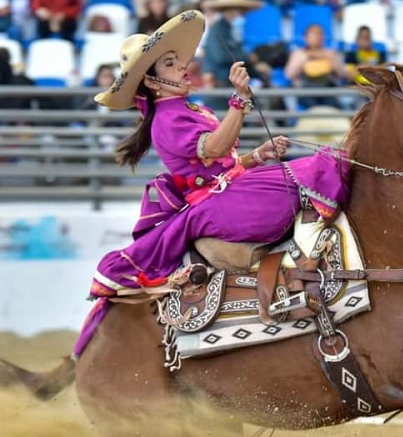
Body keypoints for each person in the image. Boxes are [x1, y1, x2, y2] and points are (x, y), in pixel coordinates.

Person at [73, 10, 349, 357]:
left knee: (316, 166)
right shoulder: (168, 120)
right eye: (171, 65)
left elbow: (220, 164)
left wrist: (258, 155)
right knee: (316, 169)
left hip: (227, 191)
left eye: (178, 61)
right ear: (153, 82)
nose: (183, 67)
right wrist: (239, 100)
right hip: (217, 205)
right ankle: (309, 274)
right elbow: (215, 148)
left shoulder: (186, 111)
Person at [200, 0, 268, 112]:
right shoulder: (218, 29)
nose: (242, 15)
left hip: (231, 85)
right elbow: (220, 57)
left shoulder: (232, 31)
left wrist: (258, 71)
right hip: (220, 87)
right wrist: (248, 58)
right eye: (240, 11)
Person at [284, 23, 348, 109]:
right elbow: (289, 75)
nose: (318, 37)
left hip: (328, 90)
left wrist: (331, 60)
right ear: (306, 37)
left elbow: (342, 74)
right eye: (315, 34)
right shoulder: (298, 54)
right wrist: (304, 58)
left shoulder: (330, 53)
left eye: (320, 34)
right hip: (306, 91)